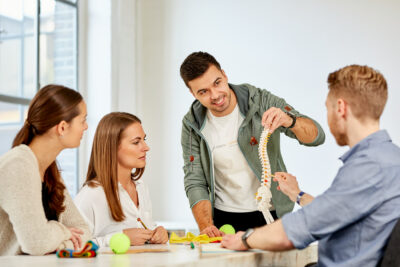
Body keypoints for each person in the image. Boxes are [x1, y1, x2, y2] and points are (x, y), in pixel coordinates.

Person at [221, 65, 400, 267]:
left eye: (327, 107)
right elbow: (334, 211)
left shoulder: (368, 167)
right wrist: (297, 194)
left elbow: (290, 234)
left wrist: (244, 239)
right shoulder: (390, 159)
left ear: (340, 108)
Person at [180, 52, 325, 236]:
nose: (215, 95)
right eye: (203, 92)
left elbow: (317, 137)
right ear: (192, 93)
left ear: (224, 75)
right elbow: (195, 179)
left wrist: (290, 121)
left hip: (271, 214)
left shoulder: (261, 100)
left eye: (217, 83)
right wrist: (206, 226)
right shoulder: (191, 123)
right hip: (224, 220)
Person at [0, 85, 91, 256]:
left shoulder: (50, 170)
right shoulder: (17, 165)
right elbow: (36, 243)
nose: (85, 127)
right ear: (62, 127)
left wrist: (60, 244)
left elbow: (83, 231)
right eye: (83, 120)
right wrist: (64, 231)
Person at [74, 112, 168, 247]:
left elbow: (144, 232)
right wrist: (118, 238)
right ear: (112, 147)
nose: (146, 148)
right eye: (136, 142)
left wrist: (157, 233)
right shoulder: (91, 194)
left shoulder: (141, 188)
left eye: (144, 140)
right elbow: (74, 246)